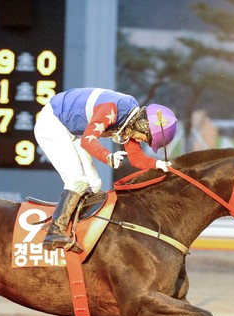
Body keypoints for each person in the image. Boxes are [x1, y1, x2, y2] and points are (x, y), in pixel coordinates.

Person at [34, 87, 178, 250]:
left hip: (72, 130)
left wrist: (158, 164)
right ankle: (55, 232)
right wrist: (108, 156)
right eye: (145, 138)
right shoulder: (112, 109)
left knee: (95, 185)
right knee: (77, 181)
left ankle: (76, 229)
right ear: (143, 125)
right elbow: (88, 140)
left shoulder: (129, 118)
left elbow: (135, 158)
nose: (140, 141)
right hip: (53, 123)